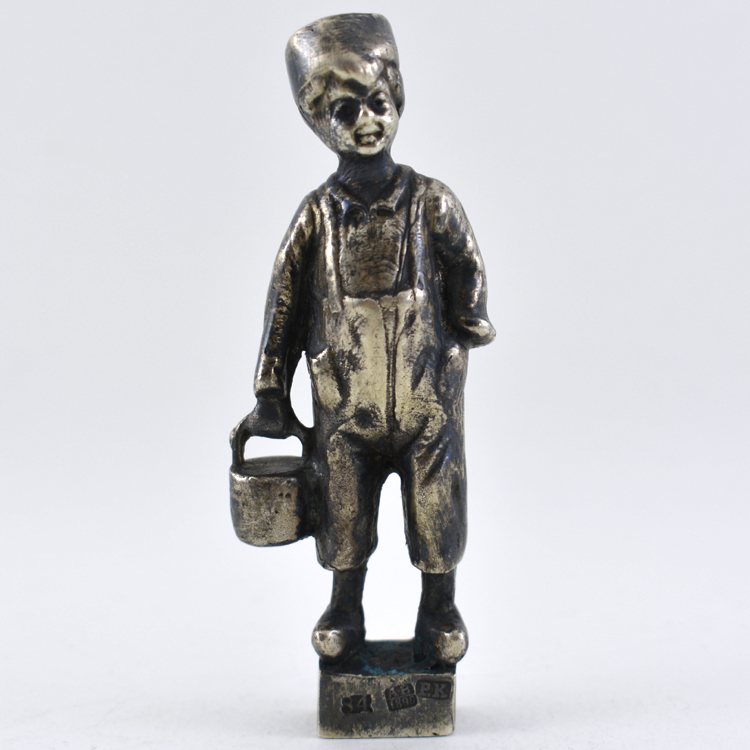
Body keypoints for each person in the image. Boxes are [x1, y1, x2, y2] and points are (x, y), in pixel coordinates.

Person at [232, 13, 495, 666]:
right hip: (344, 409)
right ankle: (344, 607)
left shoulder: (430, 201)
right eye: (345, 111)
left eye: (377, 102)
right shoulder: (316, 216)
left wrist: (464, 327)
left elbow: (467, 264)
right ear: (318, 122)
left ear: (398, 99)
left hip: (427, 403)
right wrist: (270, 389)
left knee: (438, 507)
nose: (367, 122)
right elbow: (283, 304)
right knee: (343, 511)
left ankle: (440, 608)